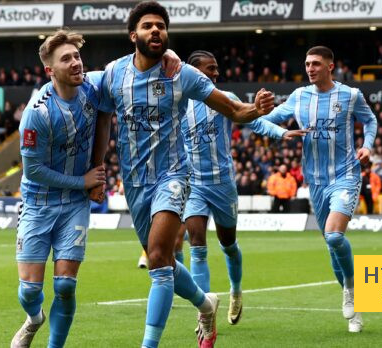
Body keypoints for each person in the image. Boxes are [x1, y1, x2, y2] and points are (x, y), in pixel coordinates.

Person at [97, 2, 275, 347]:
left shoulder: (182, 74)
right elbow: (100, 112)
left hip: (173, 176)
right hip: (134, 182)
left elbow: (234, 109)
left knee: (161, 261)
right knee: (158, 259)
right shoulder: (112, 74)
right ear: (133, 35)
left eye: (161, 26)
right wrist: (96, 166)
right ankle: (206, 304)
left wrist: (256, 108)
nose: (156, 31)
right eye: (148, 26)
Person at [257, 46, 378, 333]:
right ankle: (355, 304)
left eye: (316, 64)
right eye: (307, 64)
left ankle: (350, 289)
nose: (310, 68)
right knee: (330, 245)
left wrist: (367, 145)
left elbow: (370, 120)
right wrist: (280, 132)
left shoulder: (350, 95)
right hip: (315, 180)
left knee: (335, 237)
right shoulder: (300, 97)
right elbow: (260, 121)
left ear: (330, 66)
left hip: (346, 175)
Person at [182, 50, 303, 327]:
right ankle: (205, 312)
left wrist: (281, 133)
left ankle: (235, 290)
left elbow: (255, 121)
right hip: (194, 185)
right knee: (197, 246)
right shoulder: (179, 104)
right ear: (193, 72)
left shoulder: (226, 100)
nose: (216, 73)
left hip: (223, 184)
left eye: (216, 68)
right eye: (210, 69)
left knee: (228, 245)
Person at [9, 29, 110, 348]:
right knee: (29, 291)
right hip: (38, 203)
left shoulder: (93, 86)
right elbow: (34, 171)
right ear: (50, 70)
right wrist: (84, 181)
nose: (76, 63)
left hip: (74, 206)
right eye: (66, 59)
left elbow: (123, 72)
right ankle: (34, 318)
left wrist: (171, 56)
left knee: (65, 285)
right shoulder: (37, 113)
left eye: (77, 56)